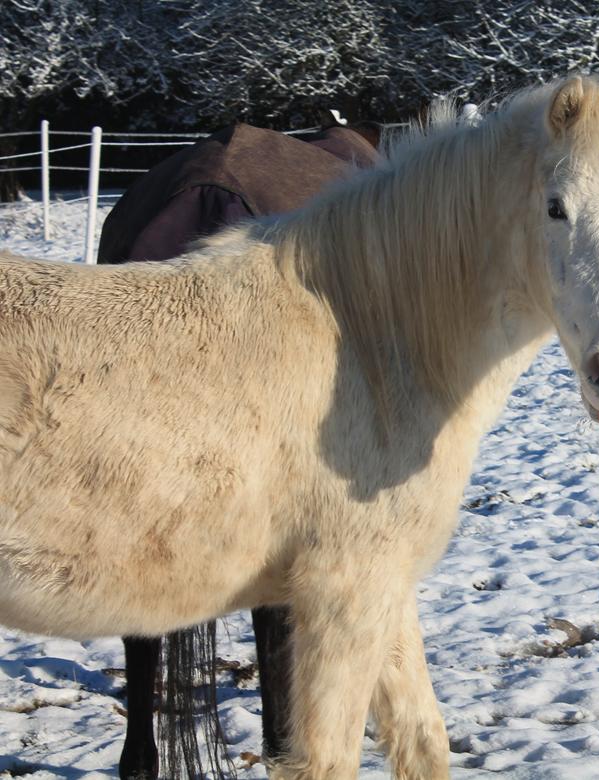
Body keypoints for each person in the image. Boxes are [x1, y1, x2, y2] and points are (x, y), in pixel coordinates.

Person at [97, 114, 381, 780]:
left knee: (151, 525)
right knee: (280, 540)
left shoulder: (160, 195)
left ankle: (142, 743)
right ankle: (285, 747)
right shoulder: (353, 179)